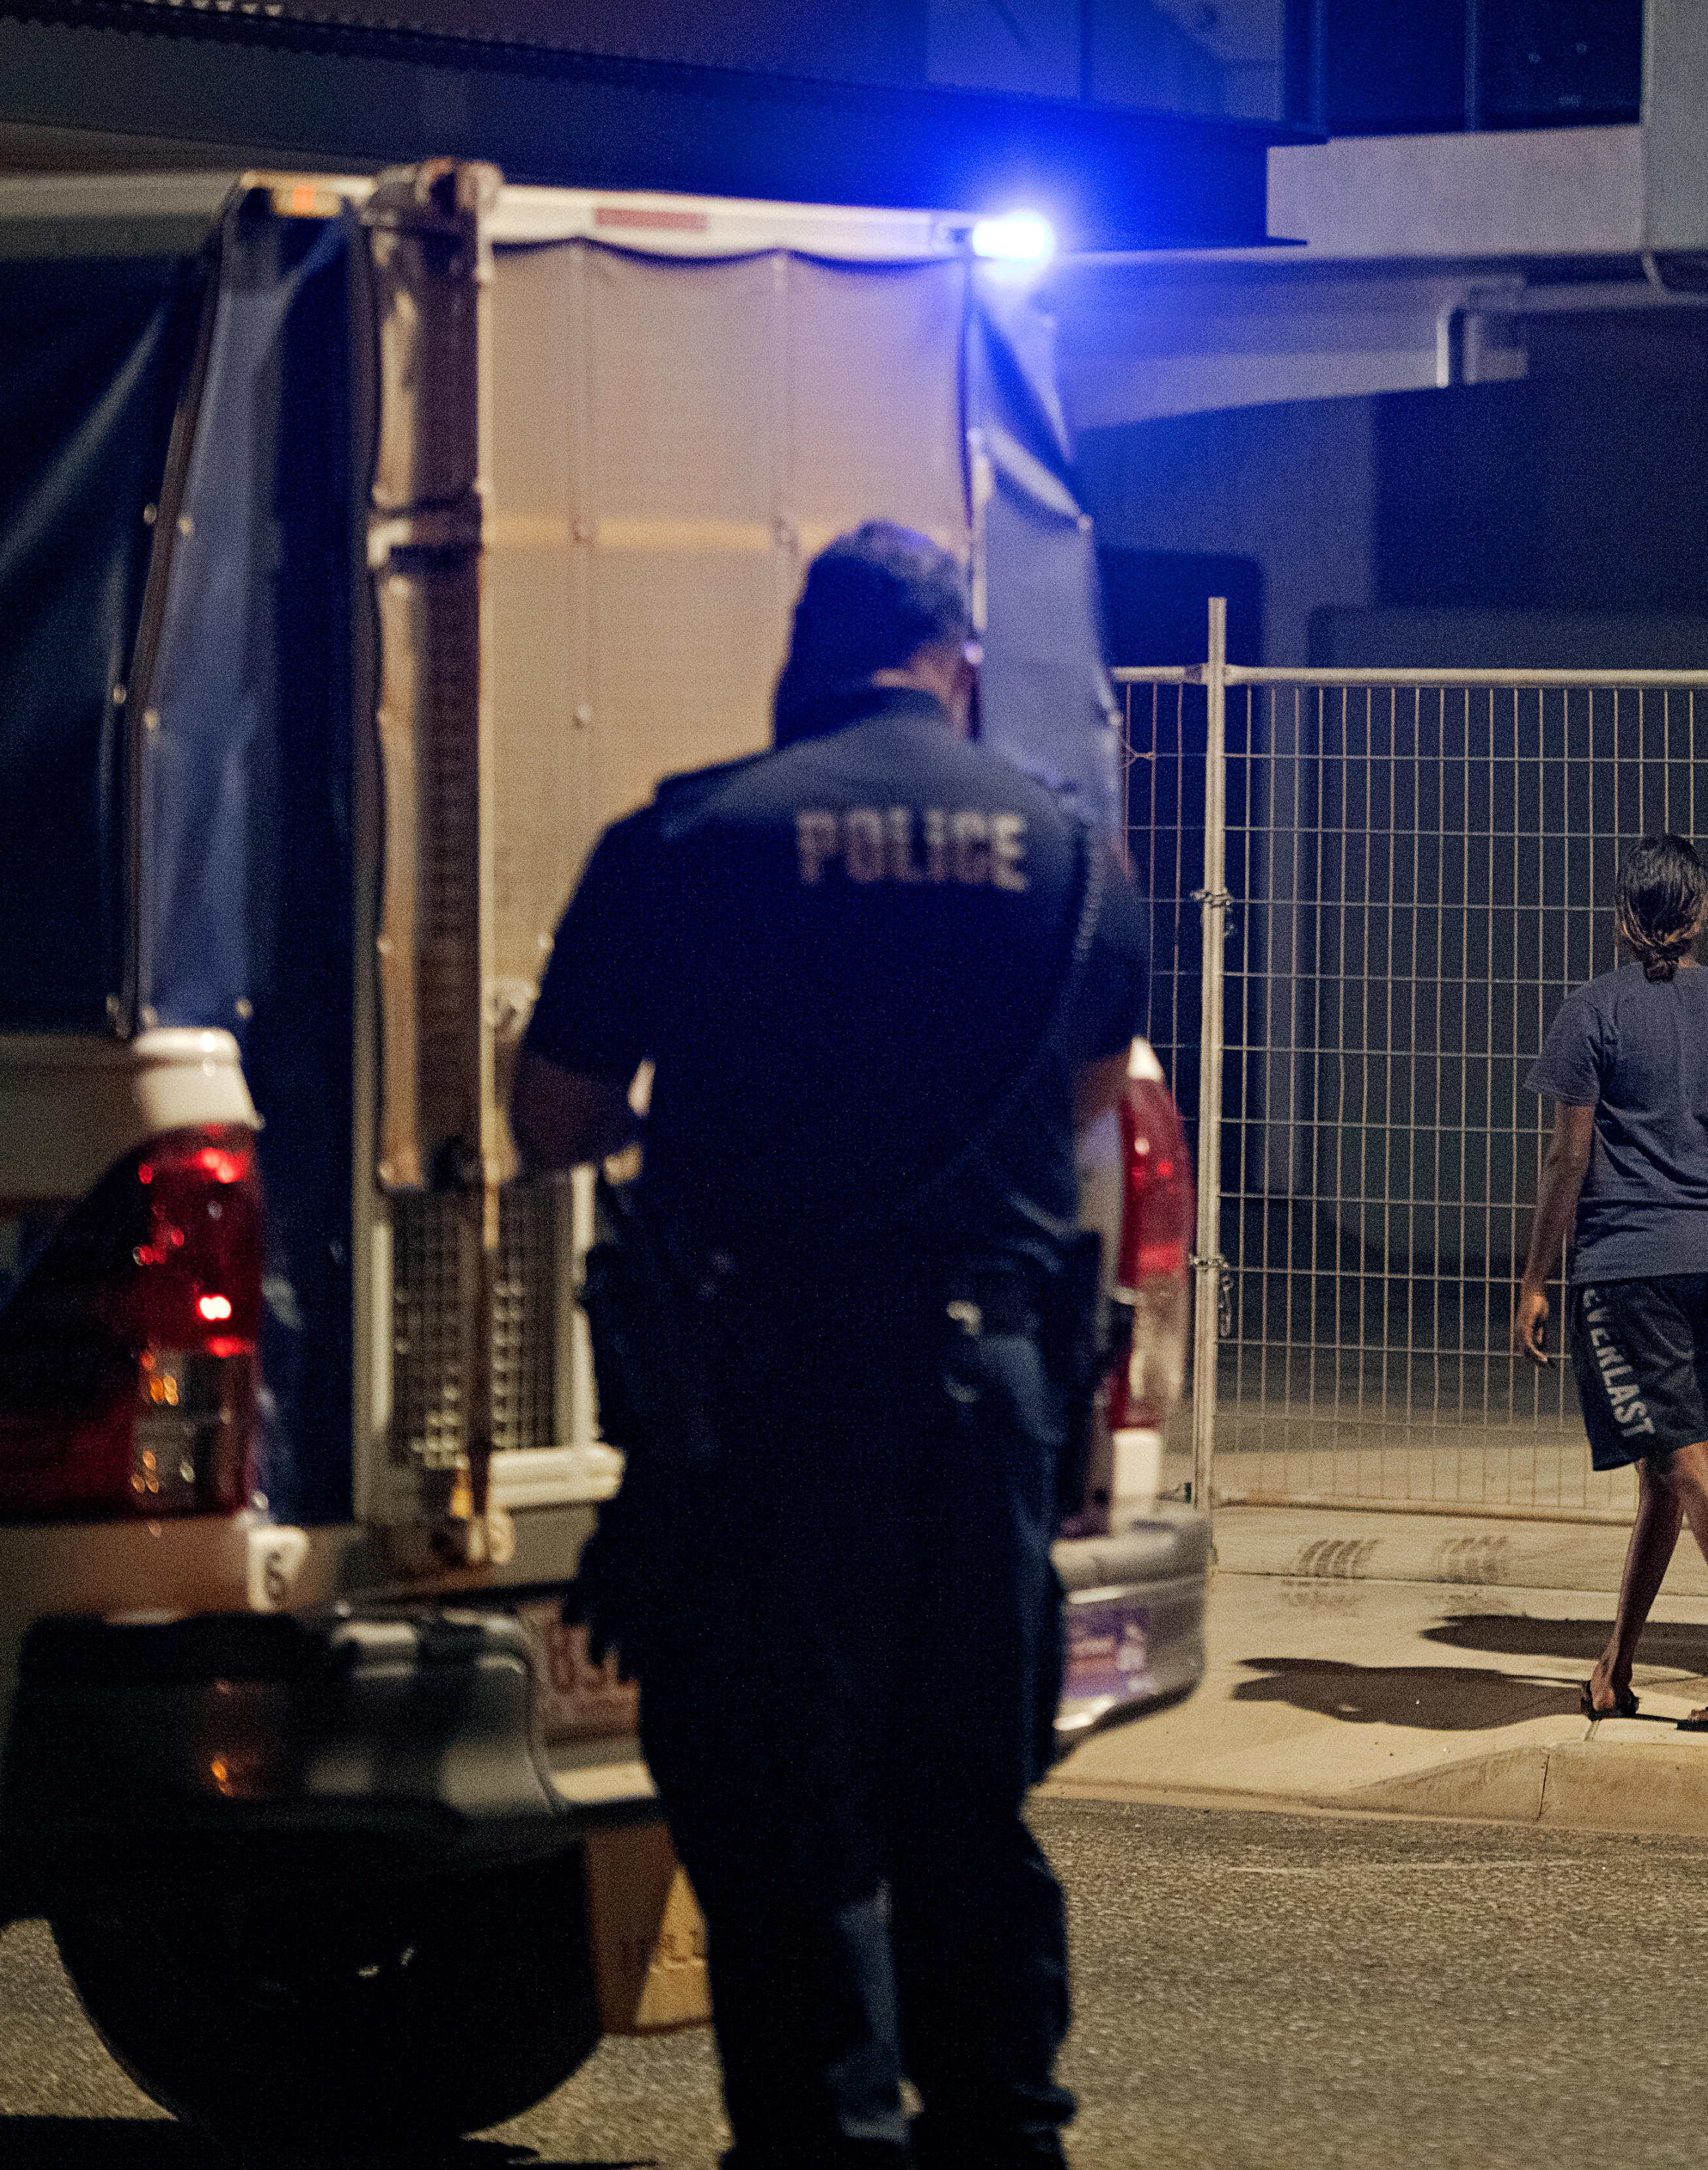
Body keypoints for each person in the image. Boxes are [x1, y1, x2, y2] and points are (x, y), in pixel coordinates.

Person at [511, 521, 1148, 2168]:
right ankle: (1004, 2132)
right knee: (965, 1805)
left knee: (783, 1810)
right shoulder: (1073, 858)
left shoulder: (686, 834)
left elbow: (558, 1118)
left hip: (764, 1400)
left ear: (807, 655)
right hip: (987, 1396)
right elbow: (1083, 1117)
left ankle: (826, 2142)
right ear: (959, 662)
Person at [1513, 835, 1708, 1731]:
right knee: (1663, 1477)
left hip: (1630, 1266)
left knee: (1681, 1460)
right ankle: (1615, 1667)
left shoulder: (1592, 1012)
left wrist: (1534, 1279)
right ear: (1705, 916)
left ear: (1621, 916)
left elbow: (1569, 1158)